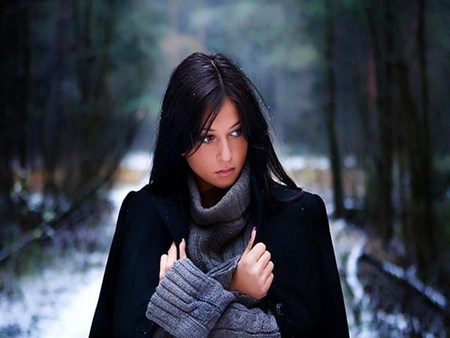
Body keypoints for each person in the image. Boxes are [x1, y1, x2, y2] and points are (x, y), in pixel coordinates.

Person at [89, 52, 349, 337]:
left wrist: (181, 302)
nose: (226, 155)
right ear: (180, 140)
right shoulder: (145, 215)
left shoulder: (299, 216)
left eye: (236, 133)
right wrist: (233, 284)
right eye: (207, 137)